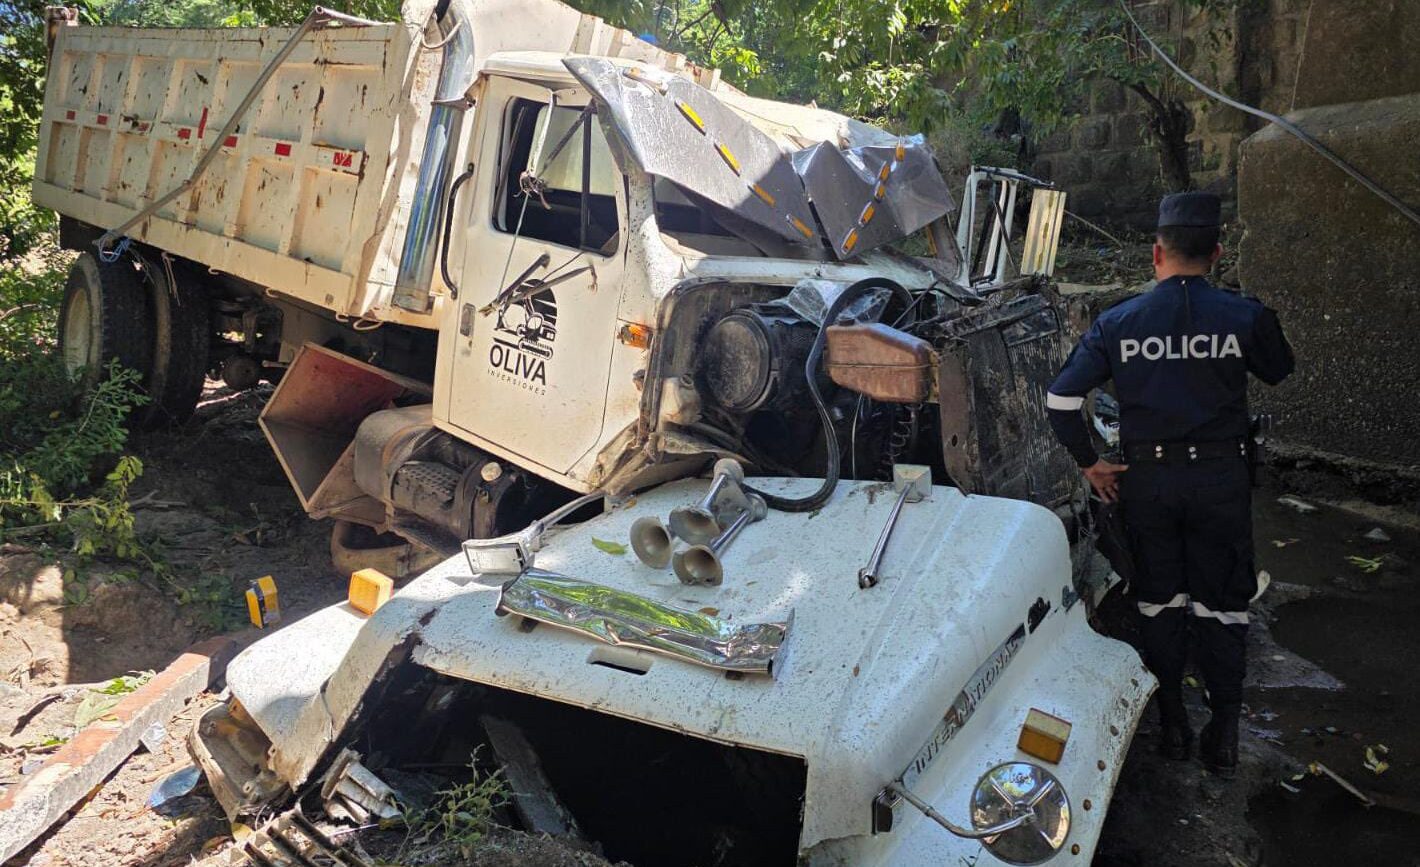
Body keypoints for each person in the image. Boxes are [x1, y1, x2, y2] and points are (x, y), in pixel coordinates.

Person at [1044, 192, 1294, 776]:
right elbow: (1280, 369)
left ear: (1156, 253)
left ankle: (1174, 727)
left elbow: (1060, 400)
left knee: (1159, 603)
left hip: (1147, 482)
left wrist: (1091, 462)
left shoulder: (1119, 322)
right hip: (1220, 482)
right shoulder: (1244, 315)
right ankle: (1224, 734)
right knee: (1224, 607)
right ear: (1218, 252)